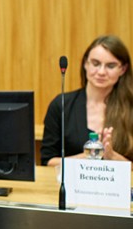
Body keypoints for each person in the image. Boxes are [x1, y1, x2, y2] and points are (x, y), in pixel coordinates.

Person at [41, 34, 133, 165]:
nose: (101, 72)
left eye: (110, 66)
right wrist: (89, 156)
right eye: (96, 64)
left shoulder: (130, 107)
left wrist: (112, 156)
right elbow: (48, 161)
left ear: (123, 69)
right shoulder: (61, 105)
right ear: (85, 64)